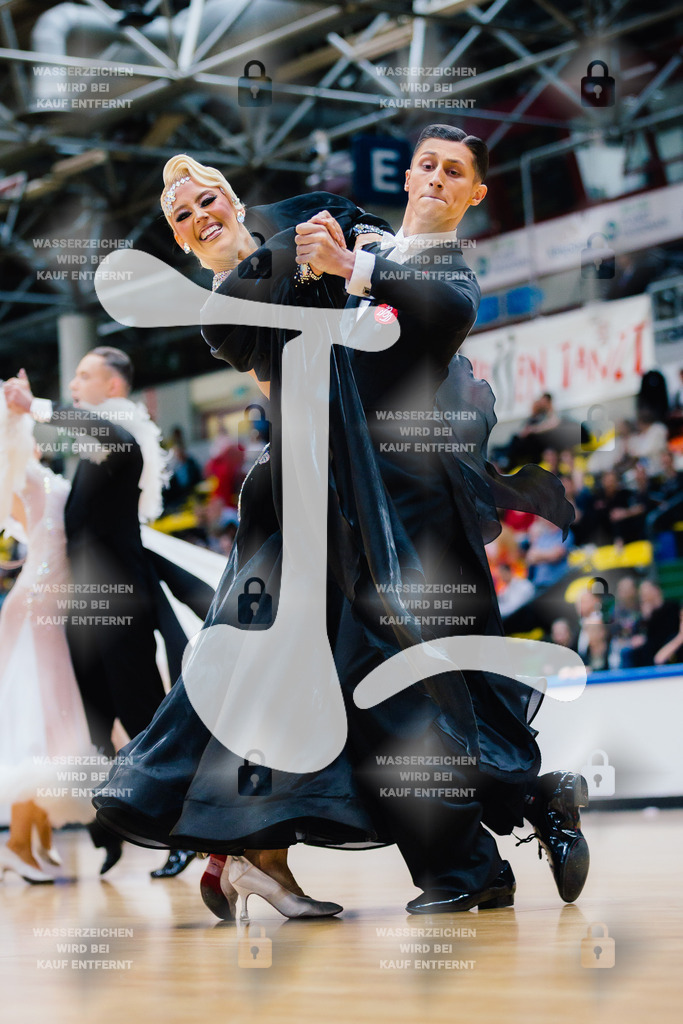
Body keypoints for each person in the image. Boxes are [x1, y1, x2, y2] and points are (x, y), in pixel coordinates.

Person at [93, 138, 588, 918]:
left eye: (206, 199)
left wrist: (350, 263)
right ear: (183, 241)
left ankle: (505, 821)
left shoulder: (342, 230)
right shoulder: (226, 310)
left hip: (412, 509)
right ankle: (269, 850)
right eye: (183, 218)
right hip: (323, 500)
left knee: (424, 686)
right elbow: (297, 378)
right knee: (345, 684)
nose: (200, 215)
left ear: (231, 196)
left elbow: (432, 309)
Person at [3, 353, 209, 879]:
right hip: (81, 611)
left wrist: (39, 406)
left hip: (120, 608)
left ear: (114, 383)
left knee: (143, 719)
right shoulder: (93, 446)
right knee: (92, 729)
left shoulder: (125, 434)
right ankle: (111, 828)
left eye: (85, 375)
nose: (74, 382)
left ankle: (190, 835)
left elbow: (100, 430)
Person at [0, 390, 93, 883]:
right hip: (36, 605)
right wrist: (19, 408)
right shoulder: (22, 477)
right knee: (34, 720)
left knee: (52, 721)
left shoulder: (44, 476)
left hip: (51, 606)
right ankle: (17, 842)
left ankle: (33, 841)